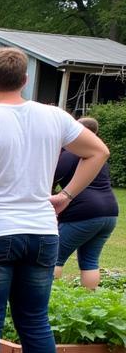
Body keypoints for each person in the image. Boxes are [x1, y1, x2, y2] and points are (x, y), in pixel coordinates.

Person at [0, 47, 108, 353]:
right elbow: (98, 152)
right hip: (42, 233)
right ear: (25, 80)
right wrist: (66, 196)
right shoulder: (54, 115)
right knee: (34, 322)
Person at [52, 115, 119, 289]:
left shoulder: (73, 152)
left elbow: (52, 177)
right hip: (109, 212)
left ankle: (53, 298)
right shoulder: (99, 155)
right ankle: (87, 300)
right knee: (90, 260)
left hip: (82, 213)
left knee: (53, 257)